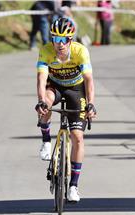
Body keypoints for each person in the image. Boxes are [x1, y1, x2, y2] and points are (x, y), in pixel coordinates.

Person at [35, 17, 96, 202]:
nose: (59, 44)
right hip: (55, 87)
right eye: (55, 38)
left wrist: (91, 103)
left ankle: (73, 186)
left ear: (71, 39)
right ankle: (46, 141)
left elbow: (89, 80)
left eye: (64, 40)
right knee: (46, 101)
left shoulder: (80, 51)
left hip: (76, 91)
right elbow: (41, 79)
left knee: (77, 136)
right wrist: (40, 101)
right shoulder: (46, 50)